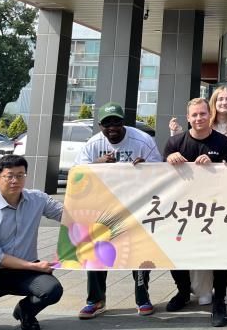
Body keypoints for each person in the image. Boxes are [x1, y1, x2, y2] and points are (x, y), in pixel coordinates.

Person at [75, 102, 162, 320]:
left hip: (135, 206)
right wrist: (97, 163)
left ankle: (142, 298)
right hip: (103, 208)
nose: (112, 127)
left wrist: (146, 167)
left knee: (140, 253)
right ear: (100, 126)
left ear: (124, 122)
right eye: (107, 123)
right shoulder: (94, 144)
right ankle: (95, 300)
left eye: (116, 122)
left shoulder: (142, 140)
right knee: (96, 252)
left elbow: (160, 171)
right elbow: (77, 173)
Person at [163, 98, 227, 328]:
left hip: (216, 209)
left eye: (203, 114)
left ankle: (219, 301)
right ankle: (183, 292)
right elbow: (159, 177)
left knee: (219, 255)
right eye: (194, 115)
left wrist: (215, 163)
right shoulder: (174, 143)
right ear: (188, 117)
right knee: (174, 252)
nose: (198, 118)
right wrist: (168, 160)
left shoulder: (224, 142)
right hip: (182, 211)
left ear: (209, 114)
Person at [0, 155, 64, 330]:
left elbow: (68, 215)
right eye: (9, 176)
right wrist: (35, 267)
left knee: (52, 290)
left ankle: (26, 312)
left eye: (20, 175)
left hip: (27, 272)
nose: (15, 180)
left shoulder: (38, 199)